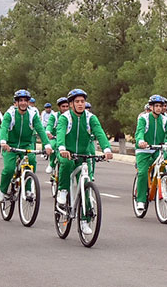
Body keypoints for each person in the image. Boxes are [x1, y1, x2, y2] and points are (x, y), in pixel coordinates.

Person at [54, 89, 112, 235]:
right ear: (71, 104)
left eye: (82, 101)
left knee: (87, 185)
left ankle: (84, 221)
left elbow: (99, 132)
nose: (80, 104)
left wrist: (106, 149)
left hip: (84, 154)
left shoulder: (90, 118)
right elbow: (60, 133)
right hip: (66, 152)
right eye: (77, 102)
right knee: (66, 164)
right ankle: (62, 190)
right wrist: (62, 148)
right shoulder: (65, 118)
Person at [0, 90, 53, 202]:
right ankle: (2, 190)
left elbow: (40, 130)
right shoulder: (10, 114)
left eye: (25, 101)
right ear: (16, 102)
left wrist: (47, 145)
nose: (23, 103)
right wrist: (3, 141)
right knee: (9, 169)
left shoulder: (33, 115)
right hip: (10, 146)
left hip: (26, 145)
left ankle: (28, 188)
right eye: (20, 100)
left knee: (32, 161)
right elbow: (4, 128)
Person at [134, 95, 167, 212]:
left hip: (158, 150)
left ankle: (164, 189)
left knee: (165, 166)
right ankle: (141, 200)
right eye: (156, 106)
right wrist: (141, 141)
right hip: (144, 150)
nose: (158, 108)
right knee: (142, 173)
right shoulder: (144, 118)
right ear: (151, 107)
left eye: (160, 106)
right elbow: (139, 132)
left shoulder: (165, 119)